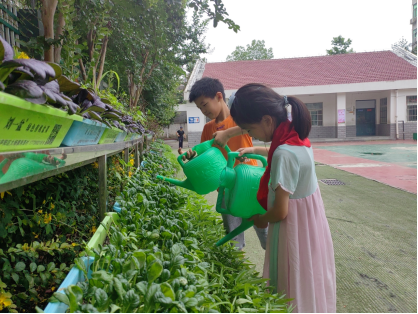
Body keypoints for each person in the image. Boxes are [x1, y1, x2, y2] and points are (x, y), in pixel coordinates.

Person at [229, 83, 336, 313]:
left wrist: (260, 219)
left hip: (293, 229)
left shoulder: (282, 153)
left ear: (267, 120)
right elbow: (282, 155)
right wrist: (254, 150)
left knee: (291, 281)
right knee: (311, 277)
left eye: (249, 129)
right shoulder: (297, 139)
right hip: (311, 227)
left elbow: (280, 211)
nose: (250, 135)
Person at [187, 77, 268, 251]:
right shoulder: (208, 128)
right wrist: (193, 155)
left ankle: (279, 271)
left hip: (252, 185)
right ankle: (236, 272)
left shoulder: (240, 119)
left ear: (218, 96)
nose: (203, 110)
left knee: (266, 234)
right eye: (199, 107)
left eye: (204, 104)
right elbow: (203, 152)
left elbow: (255, 125)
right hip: (226, 189)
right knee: (233, 240)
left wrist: (228, 133)